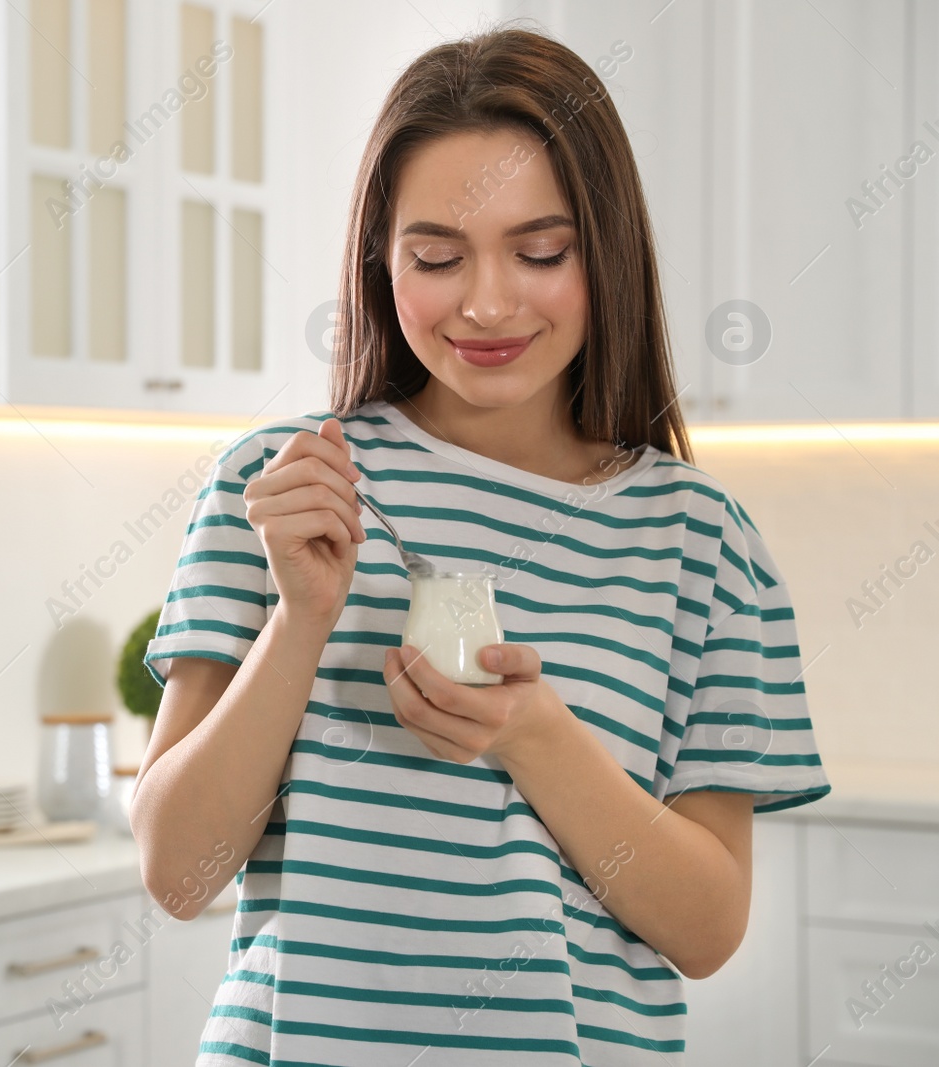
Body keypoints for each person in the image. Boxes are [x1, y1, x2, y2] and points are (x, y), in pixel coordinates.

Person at [129, 22, 831, 1066]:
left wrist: (534, 732)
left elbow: (705, 928)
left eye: (539, 252)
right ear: (381, 260)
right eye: (436, 256)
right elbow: (182, 875)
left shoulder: (699, 543)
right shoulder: (279, 489)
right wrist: (300, 619)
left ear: (606, 252)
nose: (487, 301)